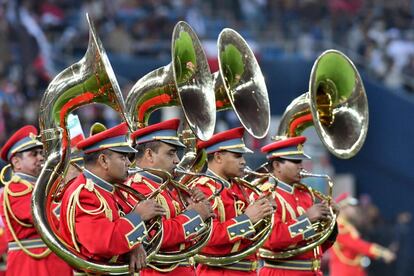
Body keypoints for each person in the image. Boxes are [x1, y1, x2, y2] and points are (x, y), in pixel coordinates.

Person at [59, 122, 165, 274]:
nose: (129, 163)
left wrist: (134, 245)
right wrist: (138, 216)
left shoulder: (110, 188)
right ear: (103, 161)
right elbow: (101, 243)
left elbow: (121, 230)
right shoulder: (85, 193)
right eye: (123, 157)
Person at [128, 118, 214, 275]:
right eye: (171, 153)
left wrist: (197, 207)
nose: (177, 160)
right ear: (149, 155)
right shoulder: (136, 186)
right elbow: (153, 237)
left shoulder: (169, 187)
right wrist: (195, 216)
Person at [190, 127, 274, 275]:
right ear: (218, 157)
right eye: (237, 156)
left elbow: (252, 238)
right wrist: (247, 219)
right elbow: (207, 237)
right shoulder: (201, 188)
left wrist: (264, 214)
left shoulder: (241, 187)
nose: (243, 162)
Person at [258, 136, 338, 276]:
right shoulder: (265, 195)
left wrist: (331, 221)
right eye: (295, 161)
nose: (301, 166)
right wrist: (306, 219)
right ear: (277, 165)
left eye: (300, 161)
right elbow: (271, 240)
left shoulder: (306, 195)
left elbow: (316, 246)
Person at [0, 125, 72, 276]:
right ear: (16, 162)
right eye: (33, 154)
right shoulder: (17, 189)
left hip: (48, 262)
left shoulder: (40, 187)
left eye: (41, 153)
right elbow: (47, 220)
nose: (40, 157)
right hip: (32, 265)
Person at [329, 192, 396, 276]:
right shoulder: (339, 228)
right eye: (352, 206)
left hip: (353, 270)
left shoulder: (347, 225)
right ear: (343, 208)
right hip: (344, 271)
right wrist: (382, 252)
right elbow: (358, 245)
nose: (355, 209)